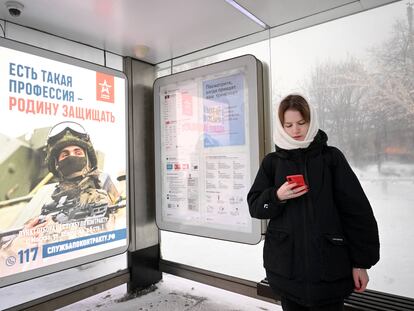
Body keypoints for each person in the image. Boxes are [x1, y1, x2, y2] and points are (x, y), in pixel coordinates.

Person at [247, 94, 379, 311]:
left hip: (330, 269)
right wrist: (277, 196)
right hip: (287, 271)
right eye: (288, 125)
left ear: (311, 121)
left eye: (301, 123)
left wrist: (361, 263)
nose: (295, 130)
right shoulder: (272, 163)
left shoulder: (331, 158)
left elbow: (357, 212)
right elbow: (255, 206)